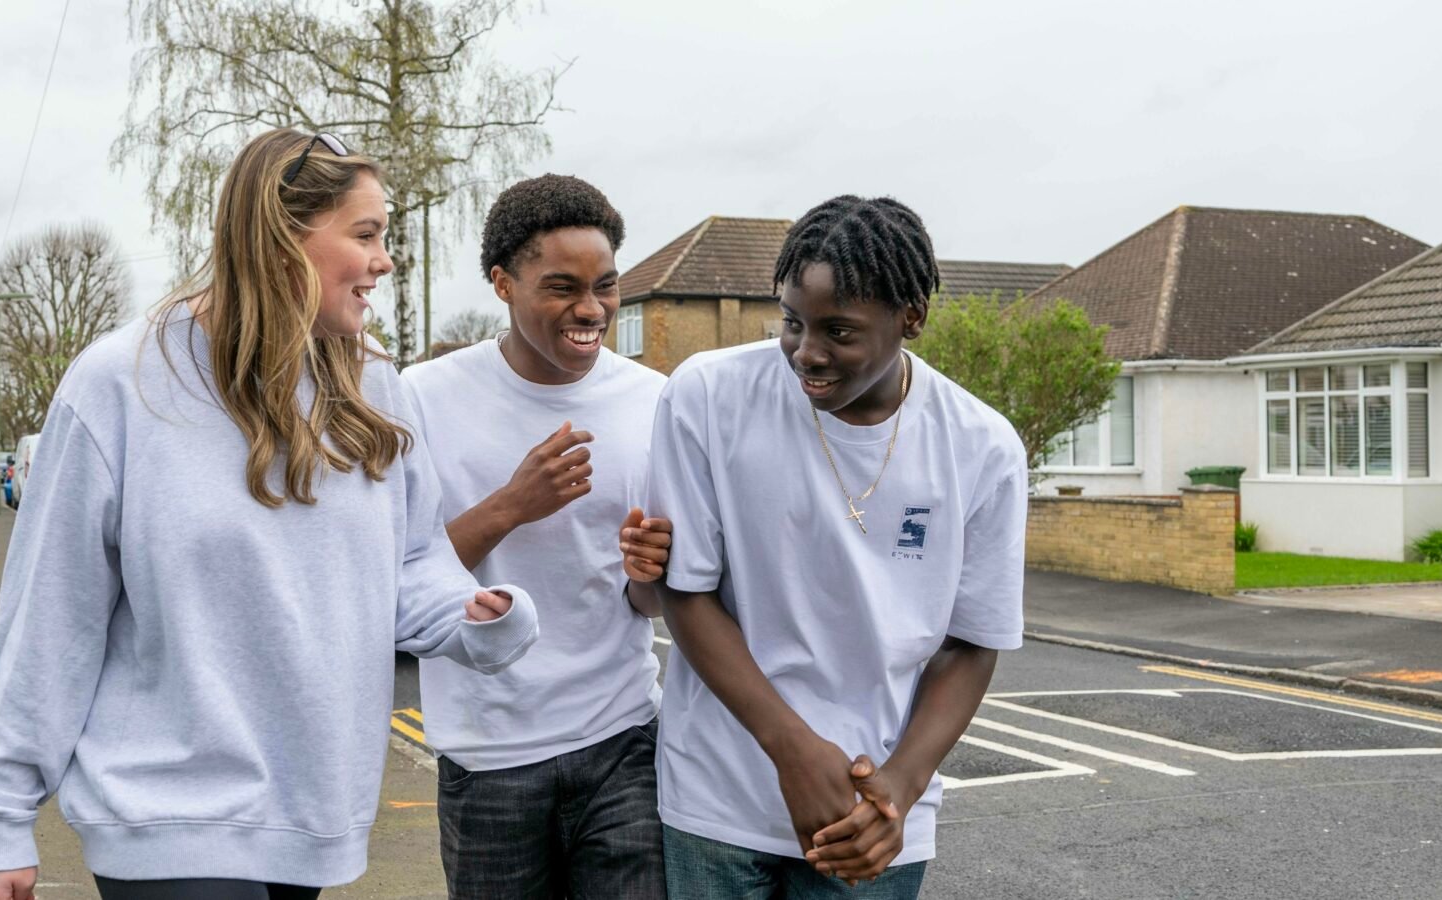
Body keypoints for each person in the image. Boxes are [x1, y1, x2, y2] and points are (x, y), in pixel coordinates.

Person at [0, 128, 541, 900]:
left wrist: (473, 615)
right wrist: (2, 816)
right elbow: (50, 613)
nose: (385, 260)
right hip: (164, 811)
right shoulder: (119, 385)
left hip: (310, 814)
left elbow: (408, 564)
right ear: (280, 236)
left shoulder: (375, 387)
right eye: (365, 234)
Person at [639, 195, 1025, 898]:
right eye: (792, 322)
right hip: (717, 803)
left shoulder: (982, 445)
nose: (807, 353)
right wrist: (792, 751)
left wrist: (901, 788)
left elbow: (971, 642)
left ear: (912, 318)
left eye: (839, 331)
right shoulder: (706, 395)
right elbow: (684, 591)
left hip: (872, 816)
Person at [402, 174, 676, 899]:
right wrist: (511, 506)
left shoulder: (653, 402)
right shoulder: (422, 397)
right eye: (561, 287)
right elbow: (395, 580)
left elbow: (647, 603)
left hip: (623, 741)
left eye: (606, 286)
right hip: (488, 756)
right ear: (502, 283)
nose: (591, 310)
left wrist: (651, 574)